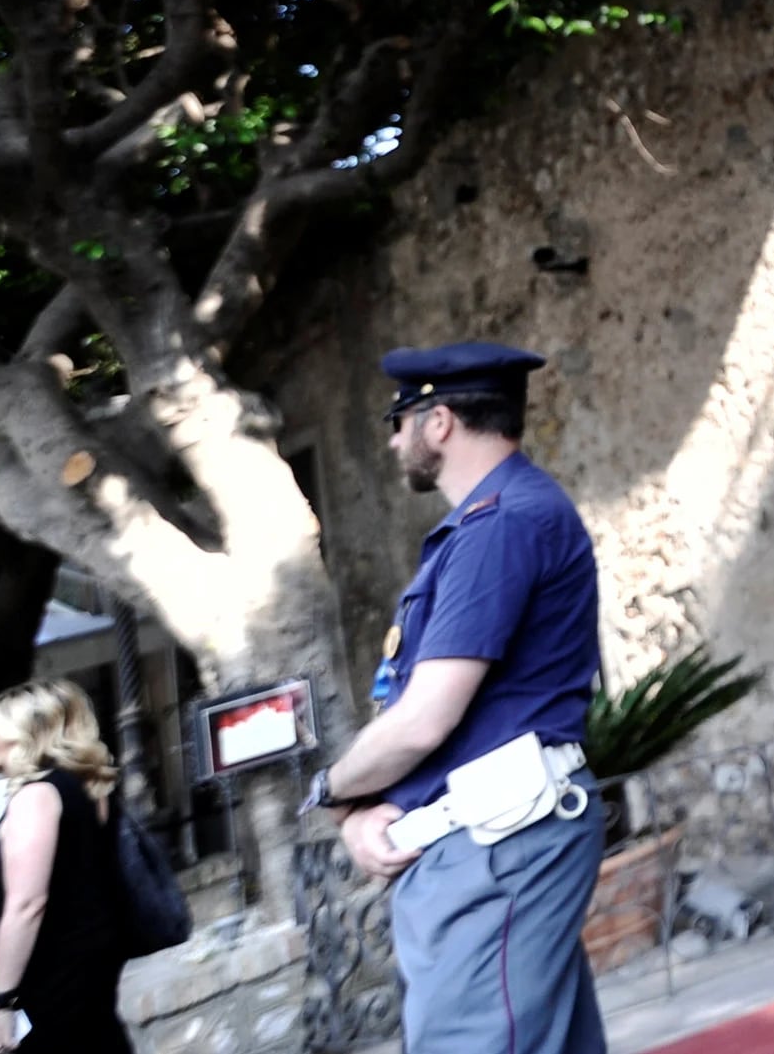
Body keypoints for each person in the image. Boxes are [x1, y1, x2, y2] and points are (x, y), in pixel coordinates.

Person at [304, 343, 607, 1054]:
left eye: (397, 419)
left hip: (498, 848)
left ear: (438, 421)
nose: (390, 438)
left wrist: (332, 791)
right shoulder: (493, 520)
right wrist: (372, 806)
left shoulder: (500, 523)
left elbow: (424, 718)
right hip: (490, 839)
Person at [0, 681, 134, 1054]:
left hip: (56, 1001)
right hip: (83, 990)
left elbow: (27, 904)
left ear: (28, 736)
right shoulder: (83, 790)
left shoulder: (36, 797)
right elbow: (69, 904)